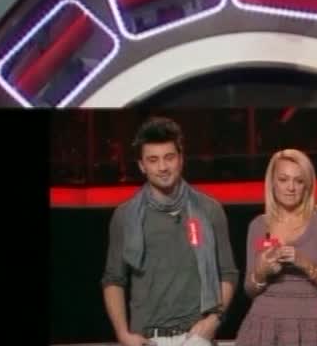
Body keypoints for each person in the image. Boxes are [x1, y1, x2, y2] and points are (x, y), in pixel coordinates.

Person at [101, 116, 238, 346]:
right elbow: (114, 279)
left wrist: (213, 321)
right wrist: (123, 334)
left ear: (181, 159)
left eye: (169, 157)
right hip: (147, 338)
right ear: (142, 166)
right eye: (153, 160)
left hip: (197, 336)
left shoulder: (209, 209)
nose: (163, 167)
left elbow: (228, 273)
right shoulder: (125, 216)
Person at [235, 148, 317, 346]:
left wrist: (305, 264)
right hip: (263, 326)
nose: (291, 188)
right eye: (283, 179)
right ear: (272, 183)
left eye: (299, 181)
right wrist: (261, 272)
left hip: (311, 327)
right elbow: (249, 289)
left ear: (307, 185)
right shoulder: (258, 225)